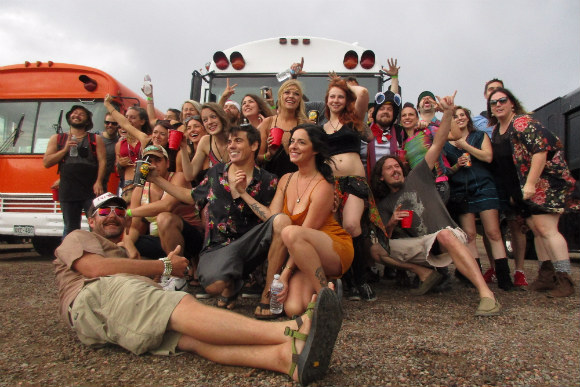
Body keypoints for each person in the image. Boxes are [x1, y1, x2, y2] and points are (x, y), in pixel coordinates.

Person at [53, 192, 343, 386]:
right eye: (104, 211)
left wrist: (134, 254)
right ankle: (289, 330)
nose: (112, 215)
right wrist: (165, 267)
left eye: (118, 210)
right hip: (95, 295)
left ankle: (284, 359)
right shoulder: (77, 237)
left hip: (101, 316)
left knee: (192, 338)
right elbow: (94, 270)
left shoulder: (125, 256)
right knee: (182, 308)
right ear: (90, 221)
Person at [369, 91, 502, 316]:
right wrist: (391, 222)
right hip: (424, 246)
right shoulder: (385, 204)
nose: (395, 170)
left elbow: (439, 142)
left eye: (397, 166)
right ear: (381, 177)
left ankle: (486, 295)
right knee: (374, 250)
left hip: (449, 235)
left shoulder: (418, 175)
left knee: (444, 235)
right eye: (389, 169)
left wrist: (448, 113)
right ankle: (425, 274)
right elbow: (386, 240)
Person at [150, 125, 289, 312]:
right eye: (230, 142)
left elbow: (271, 218)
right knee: (213, 287)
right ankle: (232, 284)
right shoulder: (216, 172)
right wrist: (157, 179)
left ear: (254, 145)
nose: (231, 146)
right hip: (218, 246)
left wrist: (243, 193)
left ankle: (267, 295)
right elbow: (191, 196)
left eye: (238, 141)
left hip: (251, 246)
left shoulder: (268, 180)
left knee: (281, 221)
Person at [235, 124, 354, 317]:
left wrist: (284, 274)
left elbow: (302, 234)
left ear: (315, 149)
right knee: (293, 309)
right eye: (291, 142)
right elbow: (271, 217)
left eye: (301, 142)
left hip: (331, 248)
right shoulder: (286, 179)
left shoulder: (323, 186)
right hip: (301, 256)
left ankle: (327, 298)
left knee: (290, 232)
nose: (293, 146)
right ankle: (329, 284)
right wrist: (243, 193)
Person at [487, 87, 579, 297]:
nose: (498, 105)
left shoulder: (522, 123)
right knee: (537, 230)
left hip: (545, 181)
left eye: (503, 100)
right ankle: (547, 276)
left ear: (512, 103)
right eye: (494, 103)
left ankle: (565, 280)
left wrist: (530, 184)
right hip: (523, 188)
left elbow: (541, 150)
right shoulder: (496, 131)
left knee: (548, 229)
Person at [321, 76, 383, 302]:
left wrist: (339, 83)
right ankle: (344, 280)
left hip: (355, 181)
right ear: (326, 101)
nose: (335, 100)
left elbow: (364, 91)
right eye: (332, 97)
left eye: (340, 97)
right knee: (336, 230)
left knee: (351, 225)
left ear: (346, 99)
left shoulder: (354, 118)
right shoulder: (322, 127)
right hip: (330, 184)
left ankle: (361, 280)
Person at [444, 106, 514, 290]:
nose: (459, 119)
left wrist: (465, 146)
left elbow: (488, 157)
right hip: (460, 190)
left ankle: (504, 277)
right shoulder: (445, 143)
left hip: (484, 186)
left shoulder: (479, 136)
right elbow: (445, 171)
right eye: (455, 116)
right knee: (470, 235)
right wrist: (457, 165)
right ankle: (474, 277)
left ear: (468, 118)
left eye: (462, 115)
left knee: (493, 232)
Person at [122, 145, 203, 269]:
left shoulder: (178, 177)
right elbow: (134, 227)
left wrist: (129, 212)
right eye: (149, 161)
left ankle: (176, 273)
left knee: (164, 218)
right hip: (161, 241)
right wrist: (129, 246)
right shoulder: (140, 188)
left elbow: (166, 205)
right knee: (123, 241)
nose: (153, 165)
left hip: (191, 239)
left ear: (167, 163)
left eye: (158, 160)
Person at [43, 105, 106, 236]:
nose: (77, 115)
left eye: (81, 114)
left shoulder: (95, 139)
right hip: (68, 189)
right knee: (70, 227)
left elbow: (102, 161)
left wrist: (99, 181)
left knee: (96, 225)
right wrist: (65, 150)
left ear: (88, 121)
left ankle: (97, 254)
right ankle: (69, 255)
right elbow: (47, 162)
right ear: (69, 117)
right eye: (74, 113)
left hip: (91, 189)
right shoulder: (57, 139)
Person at [257, 79, 309, 178]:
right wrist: (269, 154)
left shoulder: (306, 124)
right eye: (287, 92)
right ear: (280, 96)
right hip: (272, 182)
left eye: (296, 94)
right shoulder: (268, 123)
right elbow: (257, 158)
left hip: (299, 180)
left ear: (300, 100)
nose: (291, 96)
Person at [181, 103, 230, 183]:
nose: (209, 122)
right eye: (205, 120)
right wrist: (183, 148)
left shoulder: (236, 136)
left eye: (213, 117)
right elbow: (190, 175)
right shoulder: (206, 141)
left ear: (222, 117)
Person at [100, 113, 120, 190]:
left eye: (114, 123)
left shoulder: (120, 142)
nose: (110, 125)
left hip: (104, 183)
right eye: (107, 122)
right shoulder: (95, 139)